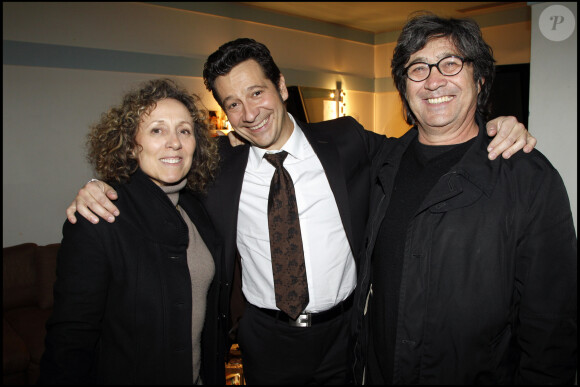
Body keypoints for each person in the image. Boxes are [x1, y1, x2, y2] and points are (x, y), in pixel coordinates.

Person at [64, 39, 536, 384]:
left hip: (347, 333)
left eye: (256, 93)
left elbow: (422, 153)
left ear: (282, 87)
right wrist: (101, 186)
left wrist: (489, 126)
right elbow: (161, 173)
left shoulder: (346, 140)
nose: (248, 113)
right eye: (232, 103)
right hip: (267, 342)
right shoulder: (218, 167)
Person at [351, 13, 577, 385]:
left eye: (451, 63)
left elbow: (551, 330)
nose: (434, 80)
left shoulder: (527, 178)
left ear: (480, 78)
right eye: (418, 68)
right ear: (404, 88)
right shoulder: (382, 164)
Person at [38, 79, 227, 384]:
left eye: (184, 130)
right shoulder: (99, 218)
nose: (174, 142)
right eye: (157, 130)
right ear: (130, 143)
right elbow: (70, 341)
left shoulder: (196, 210)